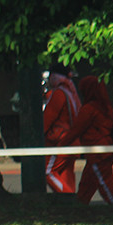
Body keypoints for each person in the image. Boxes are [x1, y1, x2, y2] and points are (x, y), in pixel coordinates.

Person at [58, 76, 113, 205]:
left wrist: (60, 146)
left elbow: (76, 130)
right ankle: (80, 206)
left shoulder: (89, 110)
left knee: (105, 185)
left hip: (97, 154)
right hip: (105, 151)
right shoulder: (106, 107)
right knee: (87, 183)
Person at [43, 64, 81, 194]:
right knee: (66, 174)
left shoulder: (59, 93)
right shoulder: (71, 92)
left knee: (48, 172)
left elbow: (47, 118)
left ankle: (67, 197)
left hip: (60, 142)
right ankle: (71, 204)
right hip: (72, 141)